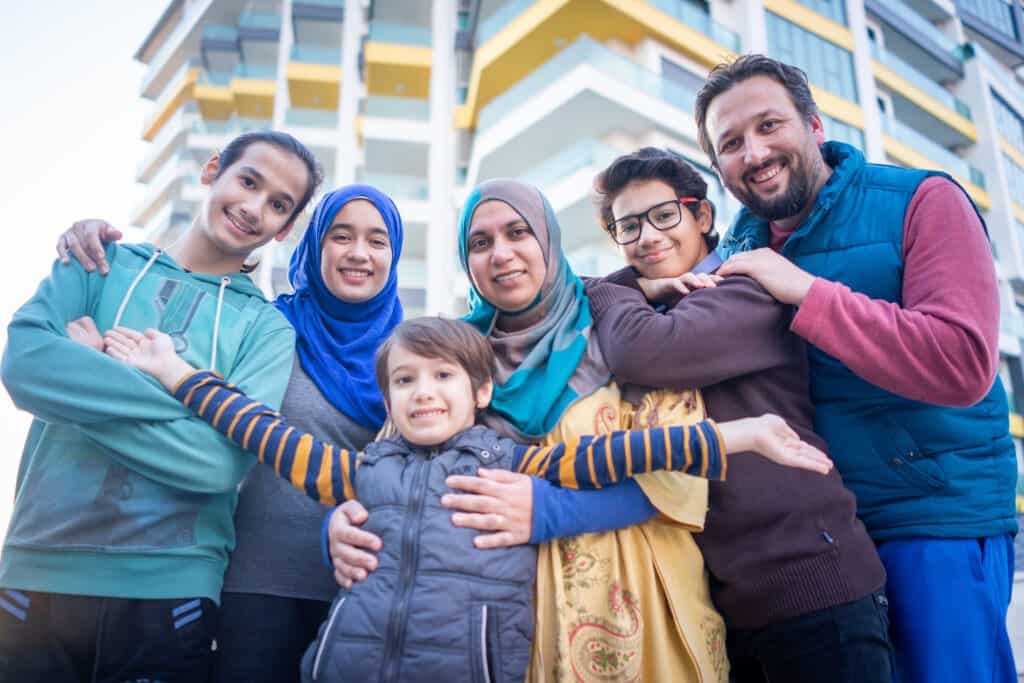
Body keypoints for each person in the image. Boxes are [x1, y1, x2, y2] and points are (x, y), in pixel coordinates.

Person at [99, 315, 830, 682]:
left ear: (480, 391)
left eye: (443, 376)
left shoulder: (517, 462)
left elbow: (630, 453)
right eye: (407, 380)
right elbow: (260, 429)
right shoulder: (356, 472)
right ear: (386, 398)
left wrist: (747, 433)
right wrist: (174, 371)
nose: (424, 392)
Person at [694, 54, 1017, 682]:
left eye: (769, 126)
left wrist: (806, 293)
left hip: (929, 521)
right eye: (730, 143)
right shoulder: (734, 255)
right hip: (817, 546)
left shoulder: (924, 200)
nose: (754, 152)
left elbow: (963, 360)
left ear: (814, 126)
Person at [330, 179, 733, 682]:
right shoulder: (450, 355)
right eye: (480, 242)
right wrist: (343, 524)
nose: (501, 254)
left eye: (518, 232)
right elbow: (387, 469)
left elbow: (678, 478)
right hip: (493, 622)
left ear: (548, 239)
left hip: (629, 602)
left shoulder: (622, 327)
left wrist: (550, 511)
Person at [0, 130, 320, 682]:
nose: (253, 209)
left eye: (277, 205)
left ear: (286, 228)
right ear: (213, 170)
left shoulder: (267, 329)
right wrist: (188, 399)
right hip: (37, 573)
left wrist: (91, 369)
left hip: (173, 591)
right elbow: (25, 366)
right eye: (248, 181)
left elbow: (218, 465)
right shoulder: (96, 262)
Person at [52, 183, 405, 683]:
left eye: (377, 241)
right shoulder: (266, 324)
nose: (358, 254)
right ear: (314, 246)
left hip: (363, 588)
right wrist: (96, 348)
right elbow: (183, 373)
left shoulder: (411, 356)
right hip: (251, 586)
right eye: (340, 236)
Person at [586, 146, 892, 682]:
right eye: (627, 227)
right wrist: (638, 288)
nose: (649, 238)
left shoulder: (746, 290)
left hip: (815, 590)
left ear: (702, 215)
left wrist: (624, 288)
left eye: (663, 215)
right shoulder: (649, 306)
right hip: (731, 606)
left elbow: (648, 352)